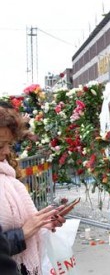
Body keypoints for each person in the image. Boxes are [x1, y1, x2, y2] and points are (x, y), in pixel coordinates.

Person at [0, 107, 66, 274]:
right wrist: (22, 234)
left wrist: (42, 225)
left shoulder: (7, 176)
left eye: (8, 144)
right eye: (1, 145)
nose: (7, 151)